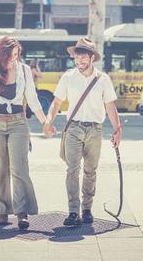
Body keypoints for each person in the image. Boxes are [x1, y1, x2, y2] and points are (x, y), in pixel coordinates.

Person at [0, 36, 48, 230]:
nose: (13, 59)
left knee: (19, 168)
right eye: (9, 56)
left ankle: (22, 212)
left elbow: (32, 98)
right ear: (1, 55)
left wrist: (44, 122)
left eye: (16, 55)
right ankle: (3, 210)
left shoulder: (24, 71)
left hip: (18, 123)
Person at [43, 37, 121, 226]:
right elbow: (57, 102)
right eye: (76, 58)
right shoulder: (68, 77)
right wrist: (48, 121)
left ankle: (87, 209)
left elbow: (110, 105)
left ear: (92, 58)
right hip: (74, 128)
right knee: (72, 170)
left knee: (90, 171)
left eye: (83, 57)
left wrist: (118, 130)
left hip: (95, 129)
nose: (78, 61)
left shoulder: (103, 79)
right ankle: (72, 211)